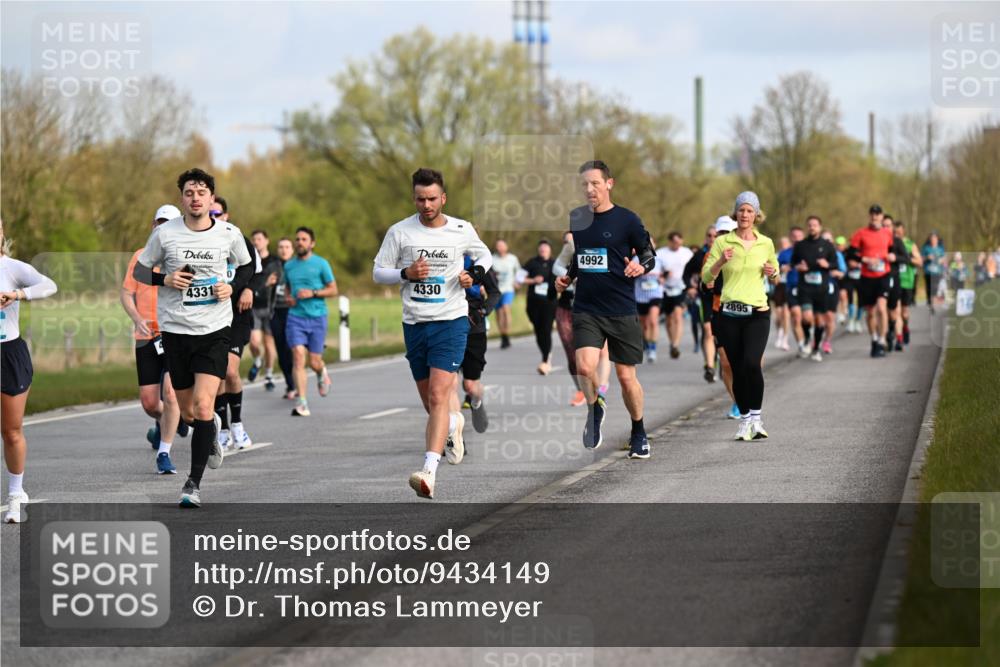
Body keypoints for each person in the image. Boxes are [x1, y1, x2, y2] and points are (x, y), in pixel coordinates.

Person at [132, 168, 254, 507]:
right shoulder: (165, 234)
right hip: (175, 330)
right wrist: (165, 280)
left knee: (202, 405)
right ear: (182, 198)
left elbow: (246, 267)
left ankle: (192, 484)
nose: (195, 197)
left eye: (202, 192)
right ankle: (210, 426)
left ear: (212, 199)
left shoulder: (229, 233)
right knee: (187, 412)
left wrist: (234, 286)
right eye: (189, 192)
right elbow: (140, 270)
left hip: (214, 330)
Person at [372, 167, 492, 498]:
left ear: (443, 198)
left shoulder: (460, 229)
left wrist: (474, 274)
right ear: (414, 198)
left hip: (451, 321)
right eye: (420, 199)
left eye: (432, 199)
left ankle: (428, 471)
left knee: (440, 394)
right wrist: (406, 273)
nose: (426, 205)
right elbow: (378, 272)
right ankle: (453, 424)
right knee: (430, 401)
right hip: (415, 323)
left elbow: (484, 254)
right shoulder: (400, 232)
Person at [555, 160, 654, 460]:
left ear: (609, 184)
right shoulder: (577, 218)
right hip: (586, 307)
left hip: (621, 308)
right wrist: (568, 277)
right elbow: (581, 257)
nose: (589, 189)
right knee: (584, 367)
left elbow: (649, 254)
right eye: (584, 184)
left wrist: (640, 265)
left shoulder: (628, 220)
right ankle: (594, 407)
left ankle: (639, 430)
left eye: (595, 183)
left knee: (626, 378)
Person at [702, 192, 779, 441]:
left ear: (757, 215)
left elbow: (776, 275)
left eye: (749, 211)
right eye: (741, 210)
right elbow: (706, 278)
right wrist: (720, 263)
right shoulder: (723, 244)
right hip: (729, 314)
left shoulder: (765, 243)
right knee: (736, 368)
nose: (745, 215)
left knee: (751, 364)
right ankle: (745, 420)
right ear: (735, 214)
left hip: (758, 312)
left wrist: (772, 272)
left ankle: (757, 419)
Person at [1, 219, 58, 522]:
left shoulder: (11, 268)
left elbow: (50, 285)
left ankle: (14, 496)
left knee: (11, 431)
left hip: (8, 353)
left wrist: (18, 295)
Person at [120, 205, 183, 474]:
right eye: (159, 222)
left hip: (174, 333)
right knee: (149, 402)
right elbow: (125, 294)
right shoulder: (140, 257)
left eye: (168, 223)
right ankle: (170, 419)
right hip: (145, 335)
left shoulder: (182, 257)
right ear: (152, 225)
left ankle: (164, 454)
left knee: (170, 393)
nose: (162, 227)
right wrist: (136, 318)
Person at [210, 196, 261, 450]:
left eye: (217, 213)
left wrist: (249, 290)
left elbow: (255, 273)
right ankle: (224, 428)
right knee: (217, 375)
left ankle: (238, 425)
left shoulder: (239, 240)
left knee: (230, 371)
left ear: (226, 216)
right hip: (210, 317)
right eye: (210, 213)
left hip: (237, 316)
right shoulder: (200, 244)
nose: (213, 217)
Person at [553, 231, 611, 407]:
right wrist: (571, 276)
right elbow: (557, 266)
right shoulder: (572, 245)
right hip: (571, 305)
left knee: (603, 351)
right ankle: (584, 389)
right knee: (575, 354)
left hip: (600, 304)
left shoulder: (608, 242)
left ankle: (601, 387)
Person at [283, 226, 336, 417]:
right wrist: (288, 298)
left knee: (314, 362)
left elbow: (333, 289)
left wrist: (313, 293)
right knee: (298, 355)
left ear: (312, 243)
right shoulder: (288, 266)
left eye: (304, 239)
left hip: (317, 317)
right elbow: (287, 288)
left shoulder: (321, 264)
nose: (299, 242)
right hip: (295, 317)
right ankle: (302, 402)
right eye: (297, 239)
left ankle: (321, 372)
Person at [456, 254, 500, 445]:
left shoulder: (479, 265)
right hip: (448, 326)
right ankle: (454, 437)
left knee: (470, 386)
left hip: (475, 326)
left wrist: (484, 311)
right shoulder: (445, 259)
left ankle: (476, 401)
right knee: (446, 384)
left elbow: (494, 292)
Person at [849, 204, 895, 358]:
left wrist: (893, 256)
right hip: (867, 277)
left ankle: (882, 341)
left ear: (882, 216)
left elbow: (893, 250)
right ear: (869, 216)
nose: (875, 217)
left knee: (882, 308)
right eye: (872, 214)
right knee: (870, 313)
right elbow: (851, 253)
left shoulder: (888, 233)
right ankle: (874, 339)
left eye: (878, 214)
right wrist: (864, 259)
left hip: (883, 275)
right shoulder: (861, 233)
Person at [790, 215, 838, 362]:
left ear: (820, 227)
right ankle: (807, 338)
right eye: (810, 225)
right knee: (806, 317)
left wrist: (827, 265)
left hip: (821, 289)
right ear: (807, 227)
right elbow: (793, 263)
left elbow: (835, 264)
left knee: (819, 321)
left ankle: (816, 348)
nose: (812, 227)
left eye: (815, 225)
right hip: (805, 288)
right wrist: (798, 267)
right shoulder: (800, 245)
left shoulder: (828, 245)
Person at [247, 229, 283, 391]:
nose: (256, 242)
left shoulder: (275, 262)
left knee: (269, 344)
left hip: (269, 307)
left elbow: (279, 282)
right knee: (254, 342)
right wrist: (264, 284)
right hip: (253, 306)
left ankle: (268, 374)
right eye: (254, 239)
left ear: (267, 241)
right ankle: (257, 361)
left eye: (259, 239)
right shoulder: (249, 260)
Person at [683, 224, 720, 380]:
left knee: (720, 334)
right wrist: (690, 287)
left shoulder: (727, 252)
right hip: (705, 298)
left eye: (715, 236)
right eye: (709, 236)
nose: (712, 239)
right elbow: (686, 273)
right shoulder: (699, 255)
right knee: (707, 330)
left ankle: (720, 360)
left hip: (724, 298)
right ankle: (710, 366)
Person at [655, 232, 694, 359]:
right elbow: (655, 269)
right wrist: (662, 275)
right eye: (675, 242)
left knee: (678, 315)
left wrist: (692, 284)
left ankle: (676, 344)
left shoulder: (687, 253)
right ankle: (672, 342)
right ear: (670, 242)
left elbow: (693, 269)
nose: (678, 244)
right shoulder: (661, 253)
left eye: (679, 242)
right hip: (665, 289)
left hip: (681, 287)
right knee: (668, 319)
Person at [523, 239, 557, 375]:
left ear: (550, 250)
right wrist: (532, 280)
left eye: (545, 249)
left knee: (546, 330)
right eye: (541, 248)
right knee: (538, 331)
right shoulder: (531, 263)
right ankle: (546, 353)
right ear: (538, 250)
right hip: (533, 302)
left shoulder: (555, 264)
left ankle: (546, 359)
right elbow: (519, 279)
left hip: (550, 302)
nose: (543, 250)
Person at [270, 237, 296, 399]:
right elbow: (260, 290)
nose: (284, 250)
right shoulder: (272, 267)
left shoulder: (297, 267)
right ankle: (289, 384)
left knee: (291, 349)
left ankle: (295, 384)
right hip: (276, 312)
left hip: (293, 312)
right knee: (281, 350)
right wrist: (267, 284)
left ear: (292, 250)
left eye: (287, 247)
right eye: (281, 247)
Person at [891, 220, 921, 347]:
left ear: (903, 231)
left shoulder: (910, 244)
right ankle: (899, 338)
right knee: (896, 311)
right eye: (895, 232)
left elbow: (920, 262)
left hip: (907, 281)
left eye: (899, 232)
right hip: (895, 281)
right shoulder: (890, 243)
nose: (897, 234)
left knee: (904, 312)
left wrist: (909, 258)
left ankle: (905, 328)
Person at [636, 236, 665, 363]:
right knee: (645, 325)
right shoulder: (636, 258)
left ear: (654, 244)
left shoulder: (660, 259)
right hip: (640, 296)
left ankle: (652, 348)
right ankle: (647, 344)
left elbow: (667, 273)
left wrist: (664, 277)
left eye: (650, 242)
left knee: (653, 321)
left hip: (655, 294)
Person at [778, 226, 806, 356]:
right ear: (790, 238)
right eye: (794, 236)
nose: (796, 239)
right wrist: (783, 269)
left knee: (808, 318)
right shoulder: (784, 254)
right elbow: (776, 270)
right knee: (796, 316)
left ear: (803, 237)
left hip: (809, 289)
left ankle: (809, 337)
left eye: (799, 236)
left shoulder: (809, 251)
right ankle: (801, 345)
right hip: (791, 288)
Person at [491, 239, 520, 349]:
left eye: (502, 245)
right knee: (498, 312)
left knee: (505, 308)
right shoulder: (492, 259)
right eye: (498, 246)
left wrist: (517, 282)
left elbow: (519, 271)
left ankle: (506, 333)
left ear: (506, 247)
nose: (500, 248)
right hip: (496, 290)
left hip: (508, 288)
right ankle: (503, 335)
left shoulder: (513, 259)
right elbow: (488, 273)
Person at [770, 235, 792, 350]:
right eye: (782, 243)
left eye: (785, 243)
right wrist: (779, 270)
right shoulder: (776, 256)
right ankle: (779, 332)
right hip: (778, 286)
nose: (783, 245)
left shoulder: (792, 255)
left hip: (789, 285)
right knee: (778, 314)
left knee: (786, 313)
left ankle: (785, 338)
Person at [921, 232, 946, 311]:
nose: (933, 240)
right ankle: (929, 300)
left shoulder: (940, 248)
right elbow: (921, 259)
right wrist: (927, 257)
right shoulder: (926, 248)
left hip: (937, 272)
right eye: (932, 239)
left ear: (937, 239)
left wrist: (941, 260)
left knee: (935, 287)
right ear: (930, 240)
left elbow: (944, 258)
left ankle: (932, 301)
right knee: (928, 287)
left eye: (935, 239)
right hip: (928, 271)